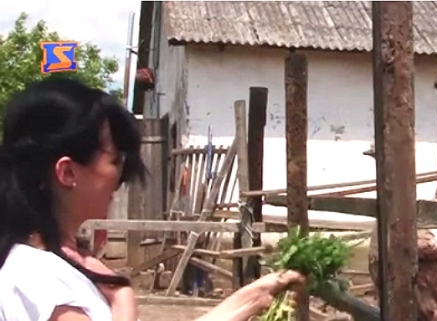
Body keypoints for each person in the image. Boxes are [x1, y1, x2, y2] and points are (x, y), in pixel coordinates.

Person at [0, 76, 305, 321]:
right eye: (116, 160)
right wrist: (123, 303)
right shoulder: (35, 278)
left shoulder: (55, 265)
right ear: (68, 173)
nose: (121, 178)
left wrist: (246, 302)